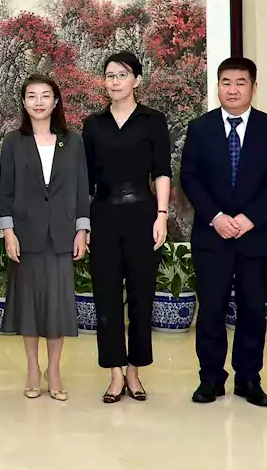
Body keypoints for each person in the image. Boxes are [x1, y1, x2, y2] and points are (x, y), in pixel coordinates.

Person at [180, 57, 267, 407]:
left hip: (255, 236)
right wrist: (215, 217)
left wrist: (248, 218)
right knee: (210, 309)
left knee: (252, 310)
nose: (232, 89)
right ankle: (210, 379)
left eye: (240, 83)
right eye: (226, 82)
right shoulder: (200, 128)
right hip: (212, 236)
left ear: (253, 88)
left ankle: (249, 380)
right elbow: (190, 178)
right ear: (218, 86)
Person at [80, 51, 172, 403]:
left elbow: (161, 170)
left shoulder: (153, 120)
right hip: (103, 214)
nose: (115, 81)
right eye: (109, 75)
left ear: (136, 79)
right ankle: (115, 373)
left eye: (122, 74)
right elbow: (85, 182)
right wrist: (82, 226)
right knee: (105, 297)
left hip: (142, 214)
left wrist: (161, 215)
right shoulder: (93, 125)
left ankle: (135, 371)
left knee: (140, 295)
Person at [0, 75, 90, 402]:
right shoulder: (13, 141)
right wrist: (7, 231)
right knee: (29, 306)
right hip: (25, 234)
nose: (39, 102)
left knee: (57, 306)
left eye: (46, 96)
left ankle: (53, 369)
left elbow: (81, 189)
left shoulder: (73, 141)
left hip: (63, 234)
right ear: (23, 102)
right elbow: (5, 191)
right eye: (32, 96)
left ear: (56, 101)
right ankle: (32, 369)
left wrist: (82, 229)